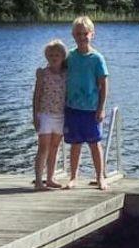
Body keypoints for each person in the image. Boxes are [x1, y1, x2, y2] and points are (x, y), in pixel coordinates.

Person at [61, 15, 110, 189]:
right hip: (73, 107)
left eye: (85, 34)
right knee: (75, 143)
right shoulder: (70, 57)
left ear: (92, 34)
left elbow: (104, 84)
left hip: (91, 108)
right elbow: (58, 72)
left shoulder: (97, 58)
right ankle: (73, 177)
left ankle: (100, 177)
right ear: (73, 35)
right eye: (78, 34)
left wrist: (101, 108)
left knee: (94, 143)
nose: (82, 37)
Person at [31, 38, 69, 189]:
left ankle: (50, 178)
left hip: (60, 115)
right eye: (51, 55)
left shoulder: (66, 73)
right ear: (47, 57)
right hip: (45, 114)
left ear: (62, 57)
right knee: (43, 147)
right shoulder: (42, 73)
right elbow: (37, 95)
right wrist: (35, 115)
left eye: (57, 55)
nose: (54, 58)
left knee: (55, 147)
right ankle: (39, 181)